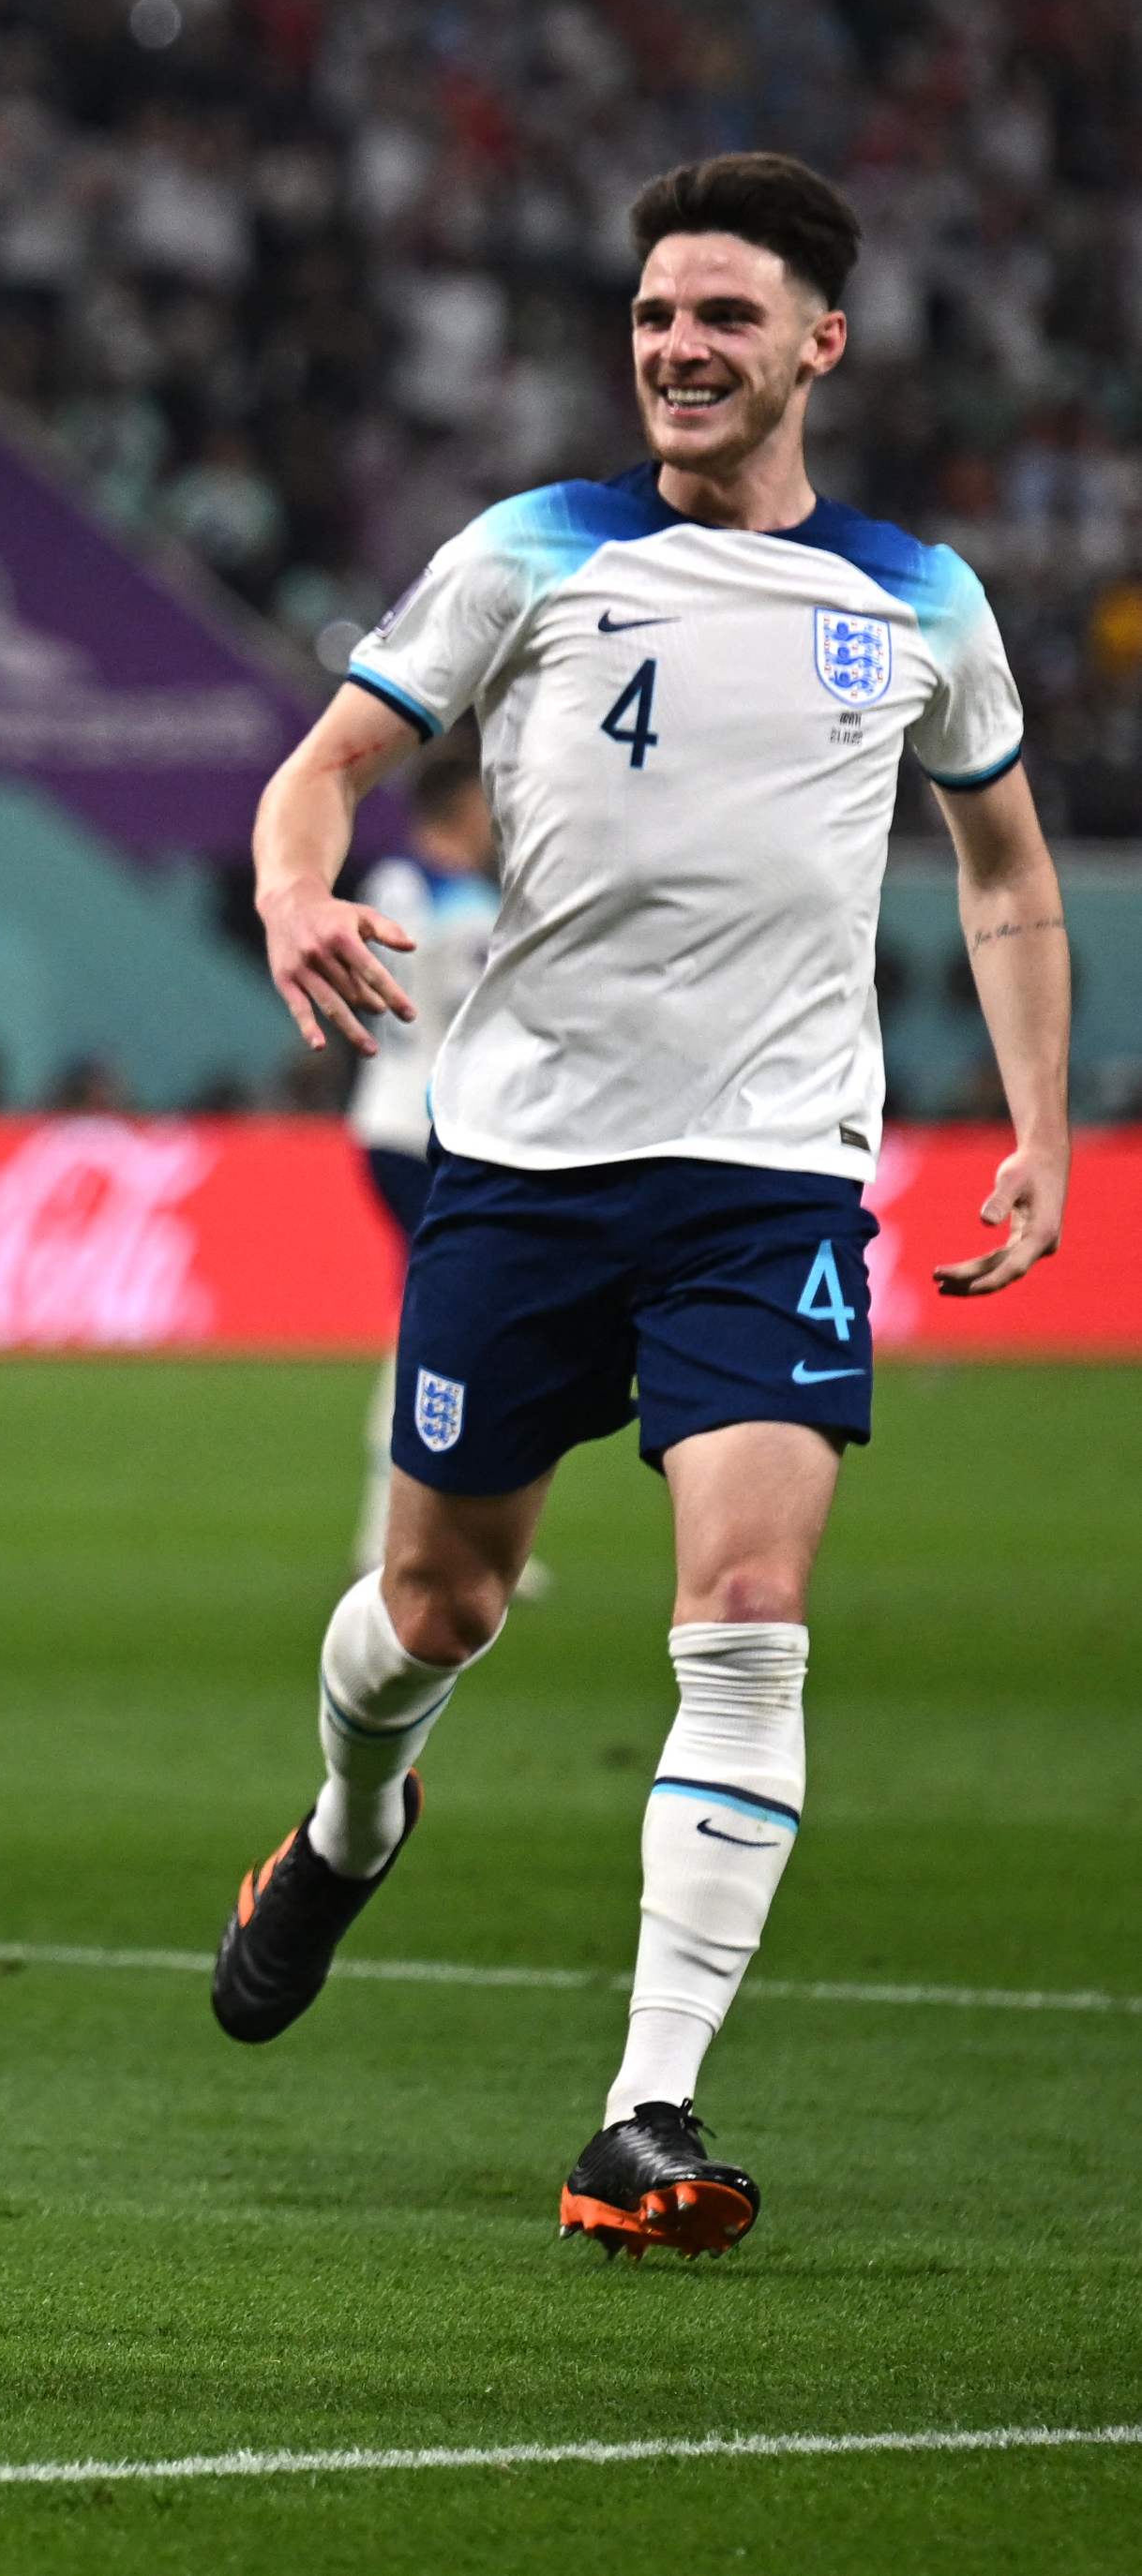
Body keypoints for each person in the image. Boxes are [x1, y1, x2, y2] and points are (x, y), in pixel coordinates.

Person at [219, 153, 1067, 2256]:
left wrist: (1037, 1122)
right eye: (653, 319)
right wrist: (293, 885)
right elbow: (314, 766)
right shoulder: (527, 551)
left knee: (746, 1617)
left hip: (769, 1172)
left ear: (816, 344)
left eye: (722, 319)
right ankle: (342, 1822)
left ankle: (642, 2105)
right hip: (518, 1166)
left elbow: (1004, 873)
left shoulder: (920, 599)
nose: (679, 350)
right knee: (438, 1609)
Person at [341, 752, 500, 1576]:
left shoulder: (388, 885)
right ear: (456, 808)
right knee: (446, 1319)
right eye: (483, 802)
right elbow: (485, 1018)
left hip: (378, 1111)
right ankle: (402, 1533)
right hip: (439, 1128)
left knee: (443, 1311)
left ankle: (431, 1528)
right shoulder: (467, 904)